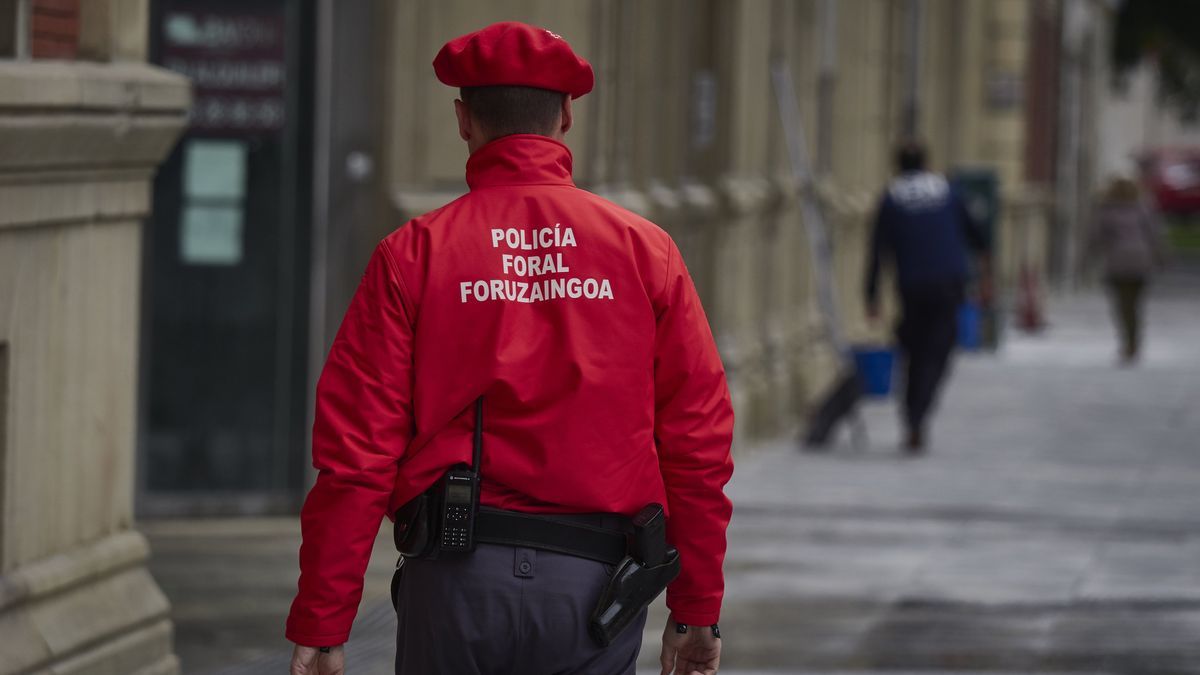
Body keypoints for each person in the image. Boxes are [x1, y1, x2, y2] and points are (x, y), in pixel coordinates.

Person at [286, 21, 734, 675]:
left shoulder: (414, 253)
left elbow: (356, 452)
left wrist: (324, 622)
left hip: (453, 587)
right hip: (594, 593)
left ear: (464, 120)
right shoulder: (644, 252)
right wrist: (696, 608)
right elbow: (698, 442)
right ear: (567, 117)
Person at [864, 141, 990, 453]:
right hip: (948, 283)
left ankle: (912, 415)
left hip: (911, 286)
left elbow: (877, 250)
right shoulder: (947, 192)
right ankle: (919, 413)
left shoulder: (892, 198)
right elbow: (979, 236)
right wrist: (986, 273)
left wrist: (872, 295)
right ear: (926, 162)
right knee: (939, 351)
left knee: (913, 351)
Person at [1086, 176, 1167, 364]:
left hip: (1118, 263)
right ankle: (1134, 341)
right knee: (1136, 305)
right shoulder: (1143, 208)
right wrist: (1161, 258)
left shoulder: (1106, 210)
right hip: (1141, 261)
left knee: (1123, 306)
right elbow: (1155, 234)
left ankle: (1128, 344)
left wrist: (1087, 258)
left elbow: (1095, 237)